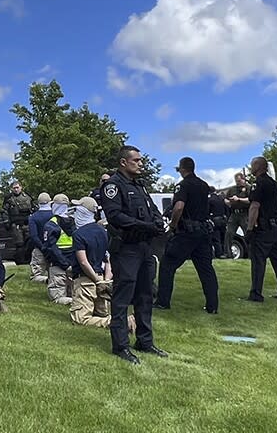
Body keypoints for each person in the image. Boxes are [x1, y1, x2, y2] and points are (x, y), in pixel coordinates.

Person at [99, 145, 167, 365]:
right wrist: (144, 225)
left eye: (140, 160)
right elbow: (115, 215)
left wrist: (157, 222)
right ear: (123, 162)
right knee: (122, 298)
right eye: (136, 160)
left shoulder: (139, 185)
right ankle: (120, 346)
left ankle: (145, 341)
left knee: (146, 295)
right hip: (127, 247)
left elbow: (151, 209)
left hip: (145, 247)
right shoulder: (112, 186)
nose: (140, 164)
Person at [154, 157, 219, 313]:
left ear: (183, 169)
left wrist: (172, 226)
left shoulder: (183, 185)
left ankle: (163, 302)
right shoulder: (204, 185)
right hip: (203, 232)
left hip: (186, 233)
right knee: (206, 269)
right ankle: (212, 306)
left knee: (168, 264)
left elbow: (178, 208)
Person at [68, 197, 127, 330]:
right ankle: (118, 320)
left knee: (79, 318)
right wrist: (105, 280)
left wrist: (96, 280)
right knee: (101, 313)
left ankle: (121, 323)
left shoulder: (78, 234)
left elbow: (83, 261)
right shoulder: (103, 231)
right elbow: (108, 259)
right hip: (101, 278)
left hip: (85, 280)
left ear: (82, 211)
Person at [244, 157, 277, 302]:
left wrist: (250, 228)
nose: (251, 168)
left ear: (258, 167)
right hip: (274, 228)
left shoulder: (258, 184)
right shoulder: (274, 184)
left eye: (252, 165)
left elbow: (255, 206)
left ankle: (256, 293)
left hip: (262, 228)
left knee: (258, 261)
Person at [42, 194, 75, 305]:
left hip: (57, 264)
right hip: (73, 264)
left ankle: (75, 303)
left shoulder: (51, 224)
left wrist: (63, 264)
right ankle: (76, 300)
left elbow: (49, 247)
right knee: (73, 291)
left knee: (57, 298)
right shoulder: (74, 222)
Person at [3, 180, 34, 262]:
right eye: (14, 188)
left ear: (21, 187)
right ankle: (20, 261)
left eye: (17, 187)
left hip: (27, 224)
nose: (16, 189)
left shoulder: (28, 197)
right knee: (19, 244)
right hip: (16, 225)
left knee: (29, 242)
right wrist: (6, 222)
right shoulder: (9, 199)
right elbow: (4, 211)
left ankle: (28, 260)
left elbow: (34, 208)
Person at [28, 192, 52, 284]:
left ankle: (46, 280)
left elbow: (33, 236)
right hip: (53, 248)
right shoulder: (54, 215)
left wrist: (42, 247)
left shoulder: (33, 217)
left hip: (39, 249)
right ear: (49, 201)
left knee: (35, 276)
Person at [224, 173, 250, 256]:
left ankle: (251, 253)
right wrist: (228, 202)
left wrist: (239, 199)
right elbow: (225, 198)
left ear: (243, 179)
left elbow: (250, 199)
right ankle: (228, 253)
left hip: (244, 214)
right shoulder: (232, 189)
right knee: (229, 233)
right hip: (234, 213)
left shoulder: (248, 187)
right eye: (236, 181)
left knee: (248, 233)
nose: (237, 183)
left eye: (239, 181)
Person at [207, 186, 228, 258]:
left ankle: (219, 254)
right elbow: (227, 209)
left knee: (216, 238)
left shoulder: (210, 200)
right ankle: (225, 252)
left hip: (215, 220)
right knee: (223, 237)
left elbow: (207, 211)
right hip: (223, 219)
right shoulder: (221, 199)